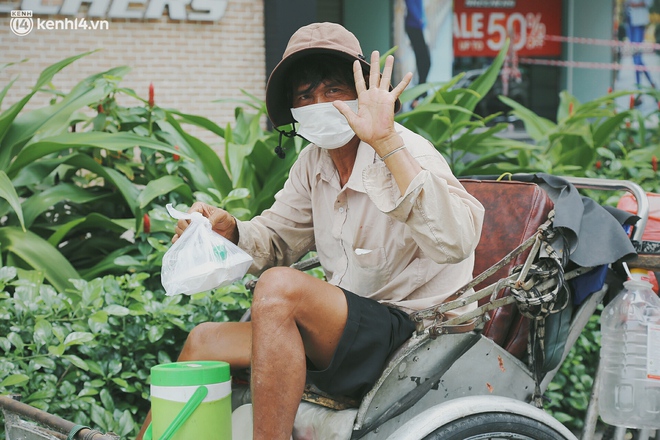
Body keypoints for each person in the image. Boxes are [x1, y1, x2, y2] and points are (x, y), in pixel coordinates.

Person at [137, 22, 484, 440]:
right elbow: (277, 241)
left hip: (417, 333)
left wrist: (387, 142)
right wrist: (230, 231)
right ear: (294, 110)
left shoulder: (406, 150)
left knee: (279, 287)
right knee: (204, 341)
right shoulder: (313, 162)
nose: (319, 103)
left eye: (333, 90)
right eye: (305, 95)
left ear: (359, 94)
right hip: (350, 330)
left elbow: (457, 241)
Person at [623, 0, 656, 103]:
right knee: (636, 58)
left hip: (639, 22)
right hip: (630, 20)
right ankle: (652, 86)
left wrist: (635, 4)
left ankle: (641, 90)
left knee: (637, 59)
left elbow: (649, 2)